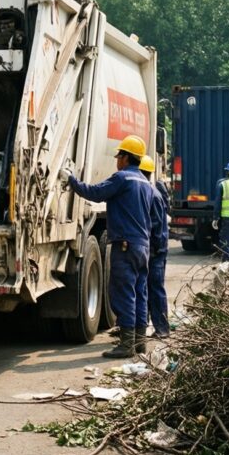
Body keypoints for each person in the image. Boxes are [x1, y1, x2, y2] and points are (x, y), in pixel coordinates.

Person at [62, 135, 154, 358]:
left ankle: (126, 345)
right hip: (142, 246)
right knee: (140, 293)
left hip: (125, 245)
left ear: (126, 158)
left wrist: (71, 180)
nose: (116, 160)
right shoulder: (146, 184)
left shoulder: (122, 179)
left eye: (119, 155)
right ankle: (140, 343)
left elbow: (95, 193)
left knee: (124, 294)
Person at [140, 155, 170, 338]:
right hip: (154, 248)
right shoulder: (151, 191)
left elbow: (157, 225)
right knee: (150, 287)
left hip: (156, 250)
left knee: (155, 287)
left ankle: (162, 329)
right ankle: (152, 326)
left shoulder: (153, 194)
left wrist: (154, 249)